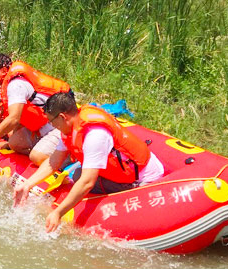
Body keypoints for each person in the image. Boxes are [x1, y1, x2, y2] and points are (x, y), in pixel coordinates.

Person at [13, 92, 165, 233]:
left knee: (81, 178)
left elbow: (87, 182)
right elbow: (54, 161)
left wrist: (58, 212)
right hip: (124, 170)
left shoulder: (94, 135)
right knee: (78, 174)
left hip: (141, 179)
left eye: (52, 122)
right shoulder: (71, 127)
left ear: (62, 117)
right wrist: (28, 185)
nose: (52, 126)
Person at [0, 56, 73, 165]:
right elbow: (22, 116)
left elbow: (13, 119)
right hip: (42, 126)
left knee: (36, 156)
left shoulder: (15, 85)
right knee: (15, 143)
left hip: (60, 127)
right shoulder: (8, 83)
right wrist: (10, 143)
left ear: (2, 71)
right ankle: (45, 151)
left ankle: (70, 157)